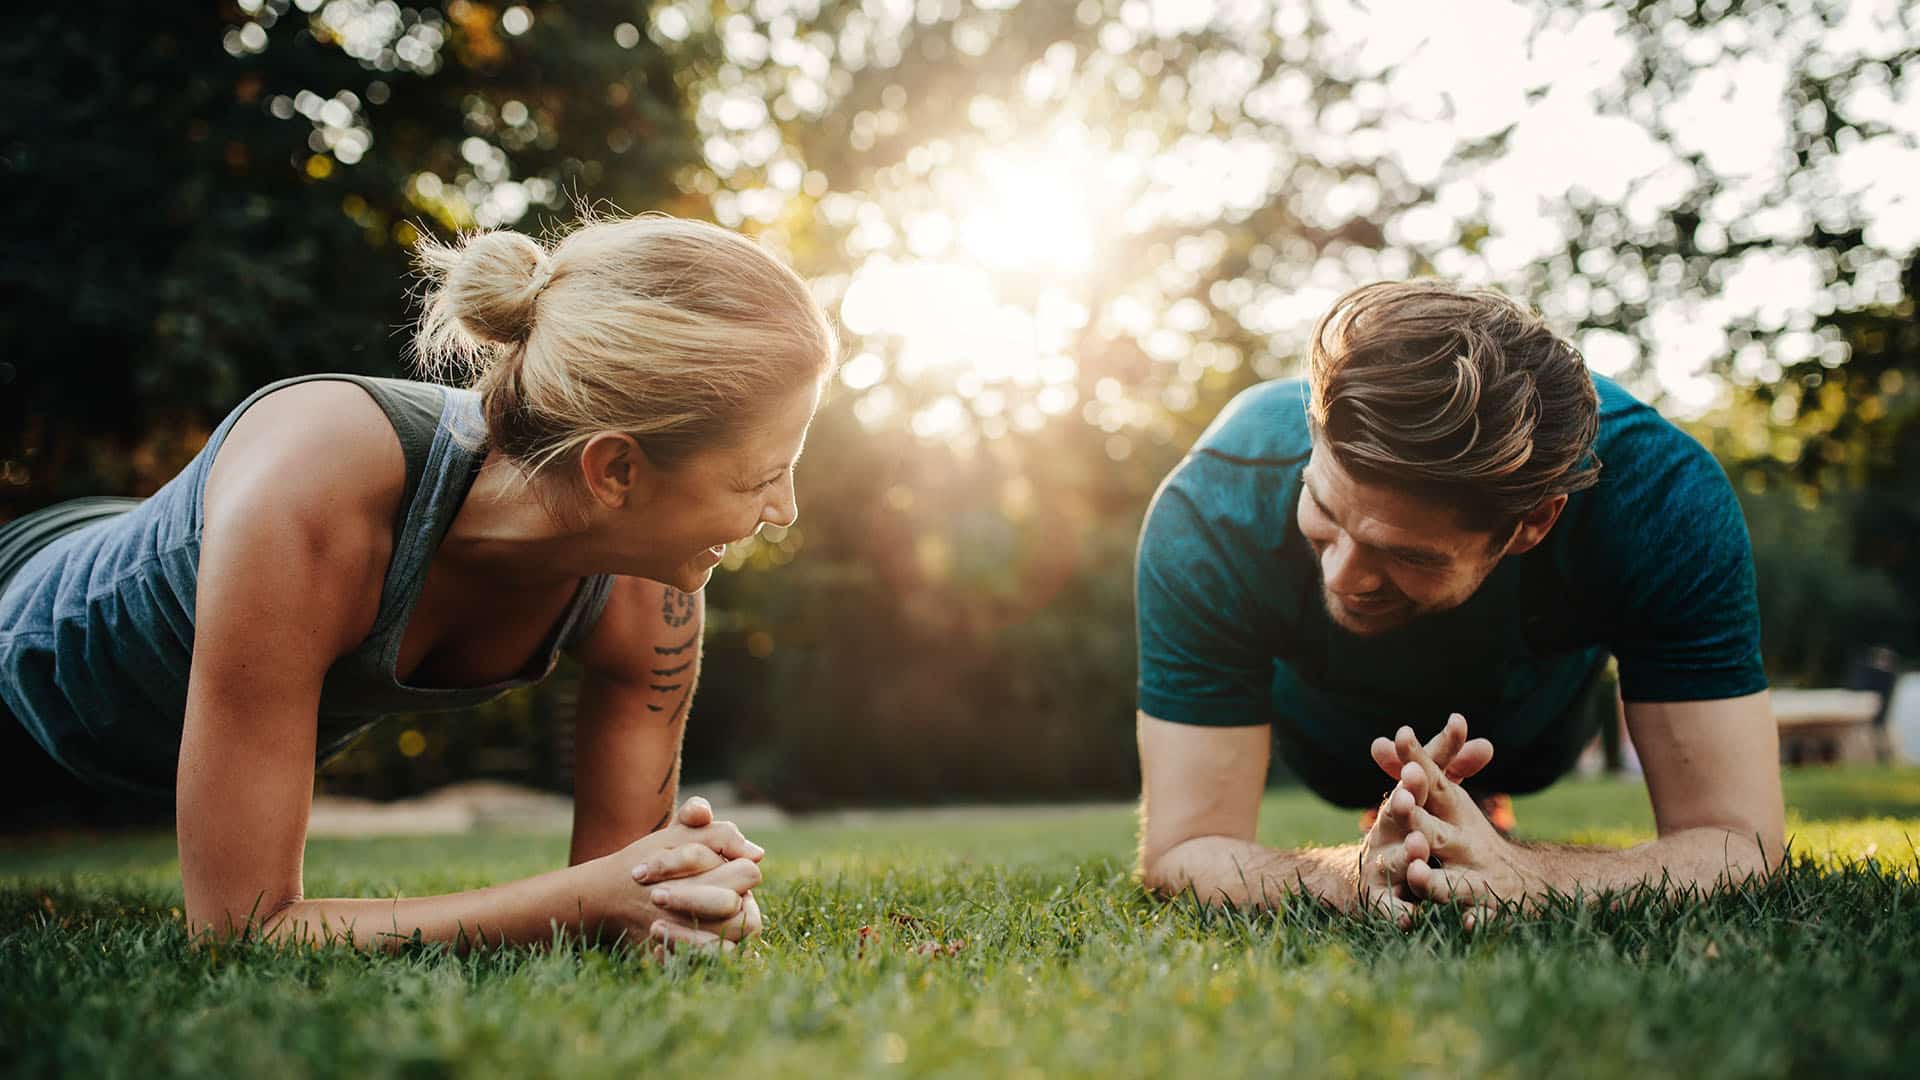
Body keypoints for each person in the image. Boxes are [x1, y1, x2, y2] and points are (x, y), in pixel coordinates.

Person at [0, 214, 838, 950]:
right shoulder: (314, 488)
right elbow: (238, 928)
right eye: (758, 477)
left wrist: (682, 898)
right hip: (27, 631)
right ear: (615, 469)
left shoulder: (654, 594)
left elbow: (629, 895)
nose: (785, 511)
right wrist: (586, 900)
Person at [1133, 281, 1784, 922]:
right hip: (1329, 736)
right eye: (1323, 508)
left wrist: (1531, 875)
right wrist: (1346, 878)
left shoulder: (1664, 500)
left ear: (1534, 522)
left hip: (1532, 731)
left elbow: (1741, 842)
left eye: (1407, 553)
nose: (1342, 575)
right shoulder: (1211, 506)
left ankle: (1482, 799)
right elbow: (1183, 849)